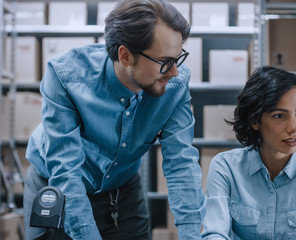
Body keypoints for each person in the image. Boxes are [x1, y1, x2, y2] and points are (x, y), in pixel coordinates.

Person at [23, 0, 206, 239]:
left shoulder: (175, 85)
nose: (174, 72)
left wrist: (192, 235)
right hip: (56, 187)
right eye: (165, 62)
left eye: (177, 58)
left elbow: (181, 162)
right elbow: (65, 172)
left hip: (122, 191)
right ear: (126, 56)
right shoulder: (66, 78)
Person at [201, 66, 296, 239]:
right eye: (279, 116)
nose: (294, 127)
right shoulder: (226, 168)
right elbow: (214, 235)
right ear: (255, 120)